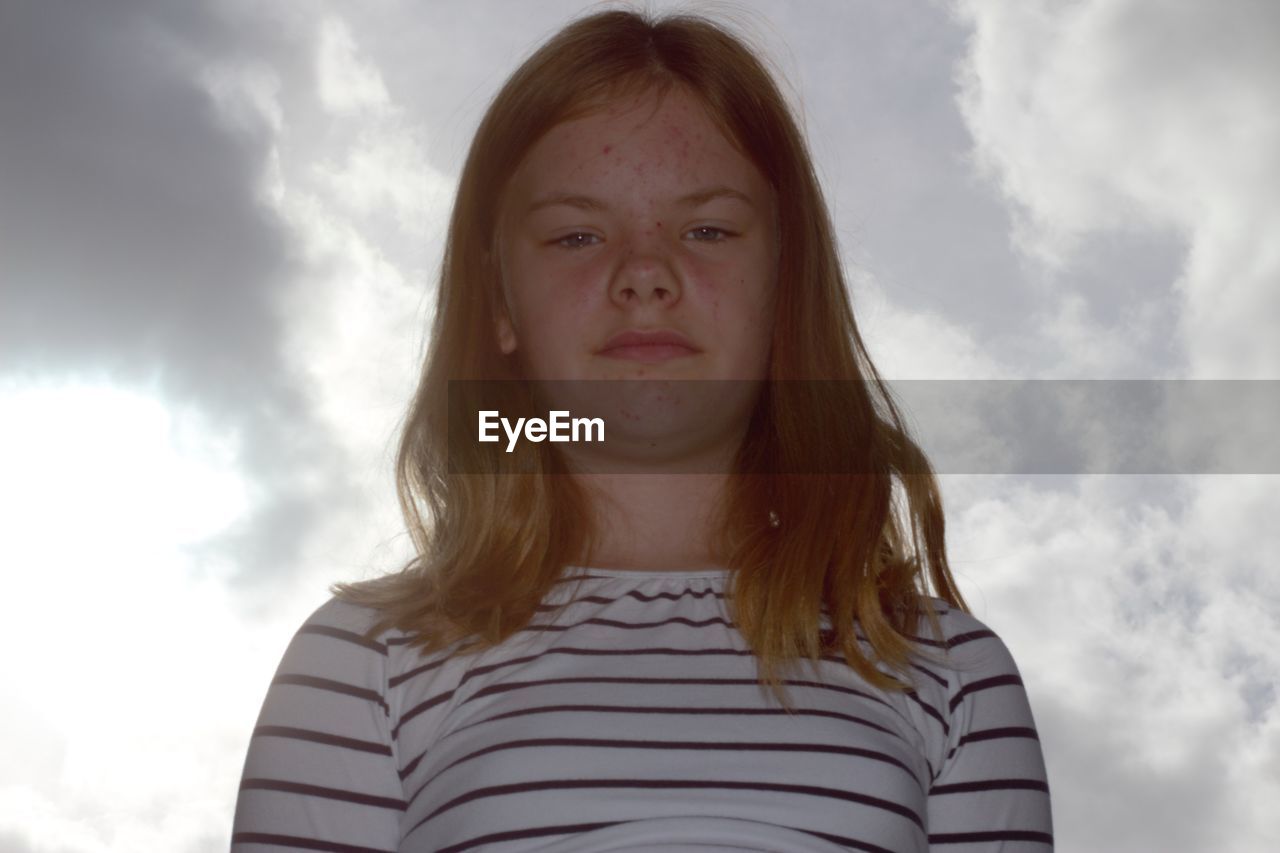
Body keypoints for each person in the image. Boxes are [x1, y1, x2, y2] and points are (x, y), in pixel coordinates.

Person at [231, 7, 1053, 852]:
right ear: (499, 303)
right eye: (577, 234)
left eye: (708, 229)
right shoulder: (363, 662)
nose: (646, 274)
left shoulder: (950, 670)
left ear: (785, 282)